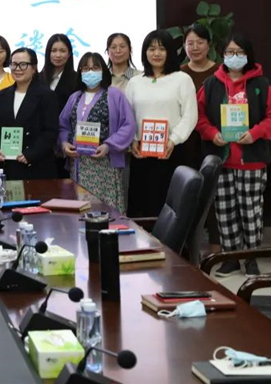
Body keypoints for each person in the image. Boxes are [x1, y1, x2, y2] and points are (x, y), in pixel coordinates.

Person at [196, 33, 271, 277]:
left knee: (250, 211)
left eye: (239, 52)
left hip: (252, 160)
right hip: (222, 159)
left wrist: (255, 133)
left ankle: (251, 257)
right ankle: (231, 258)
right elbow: (199, 116)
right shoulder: (212, 84)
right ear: (222, 55)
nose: (234, 57)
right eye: (229, 52)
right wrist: (212, 133)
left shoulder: (261, 84)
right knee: (225, 212)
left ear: (248, 55)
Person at [124, 31, 198, 217]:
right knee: (141, 208)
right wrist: (133, 139)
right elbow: (128, 116)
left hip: (172, 152)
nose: (156, 53)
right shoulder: (135, 82)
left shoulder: (182, 79)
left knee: (170, 209)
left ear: (170, 52)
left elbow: (190, 115)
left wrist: (173, 140)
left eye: (162, 49)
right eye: (151, 49)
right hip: (141, 153)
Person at [58, 53, 136, 212]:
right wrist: (64, 144)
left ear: (103, 70)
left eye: (95, 68)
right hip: (78, 164)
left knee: (105, 211)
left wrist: (108, 146)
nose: (90, 72)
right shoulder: (75, 97)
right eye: (86, 68)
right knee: (81, 209)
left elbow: (128, 125)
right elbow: (63, 126)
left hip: (104, 164)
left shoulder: (114, 95)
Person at [180, 23, 222, 253]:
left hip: (214, 140)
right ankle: (188, 244)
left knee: (213, 192)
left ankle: (215, 244)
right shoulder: (179, 73)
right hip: (185, 143)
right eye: (190, 43)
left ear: (209, 45)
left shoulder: (220, 72)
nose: (195, 47)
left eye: (200, 42)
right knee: (188, 192)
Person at [0, 48, 59, 180]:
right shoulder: (2, 95)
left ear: (34, 68)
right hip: (7, 165)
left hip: (35, 166)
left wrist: (31, 154)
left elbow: (51, 132)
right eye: (14, 64)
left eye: (23, 65)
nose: (17, 69)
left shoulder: (47, 95)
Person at [42, 34, 77, 179]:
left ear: (69, 54)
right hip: (41, 143)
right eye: (54, 50)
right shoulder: (38, 78)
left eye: (62, 51)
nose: (58, 55)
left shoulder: (77, 79)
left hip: (66, 142)